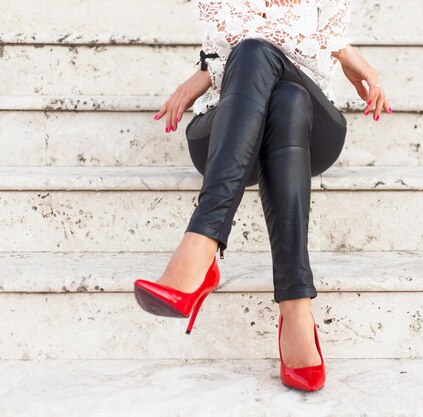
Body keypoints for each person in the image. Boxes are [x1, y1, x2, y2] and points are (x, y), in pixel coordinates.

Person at [133, 0, 391, 391]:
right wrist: (207, 71)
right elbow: (226, 54)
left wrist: (354, 58)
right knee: (275, 83)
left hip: (312, 130)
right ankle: (296, 307)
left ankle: (201, 244)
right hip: (226, 130)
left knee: (274, 75)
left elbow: (320, 47)